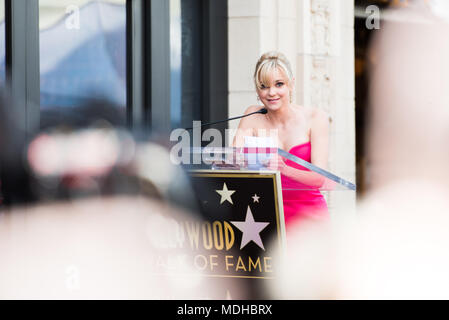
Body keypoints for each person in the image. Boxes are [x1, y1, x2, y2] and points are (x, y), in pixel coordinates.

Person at [233, 51, 330, 231]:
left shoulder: (315, 118)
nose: (271, 93)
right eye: (264, 86)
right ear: (257, 89)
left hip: (309, 220)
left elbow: (319, 178)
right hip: (264, 215)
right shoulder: (252, 115)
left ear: (291, 84)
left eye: (279, 84)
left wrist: (284, 169)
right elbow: (233, 163)